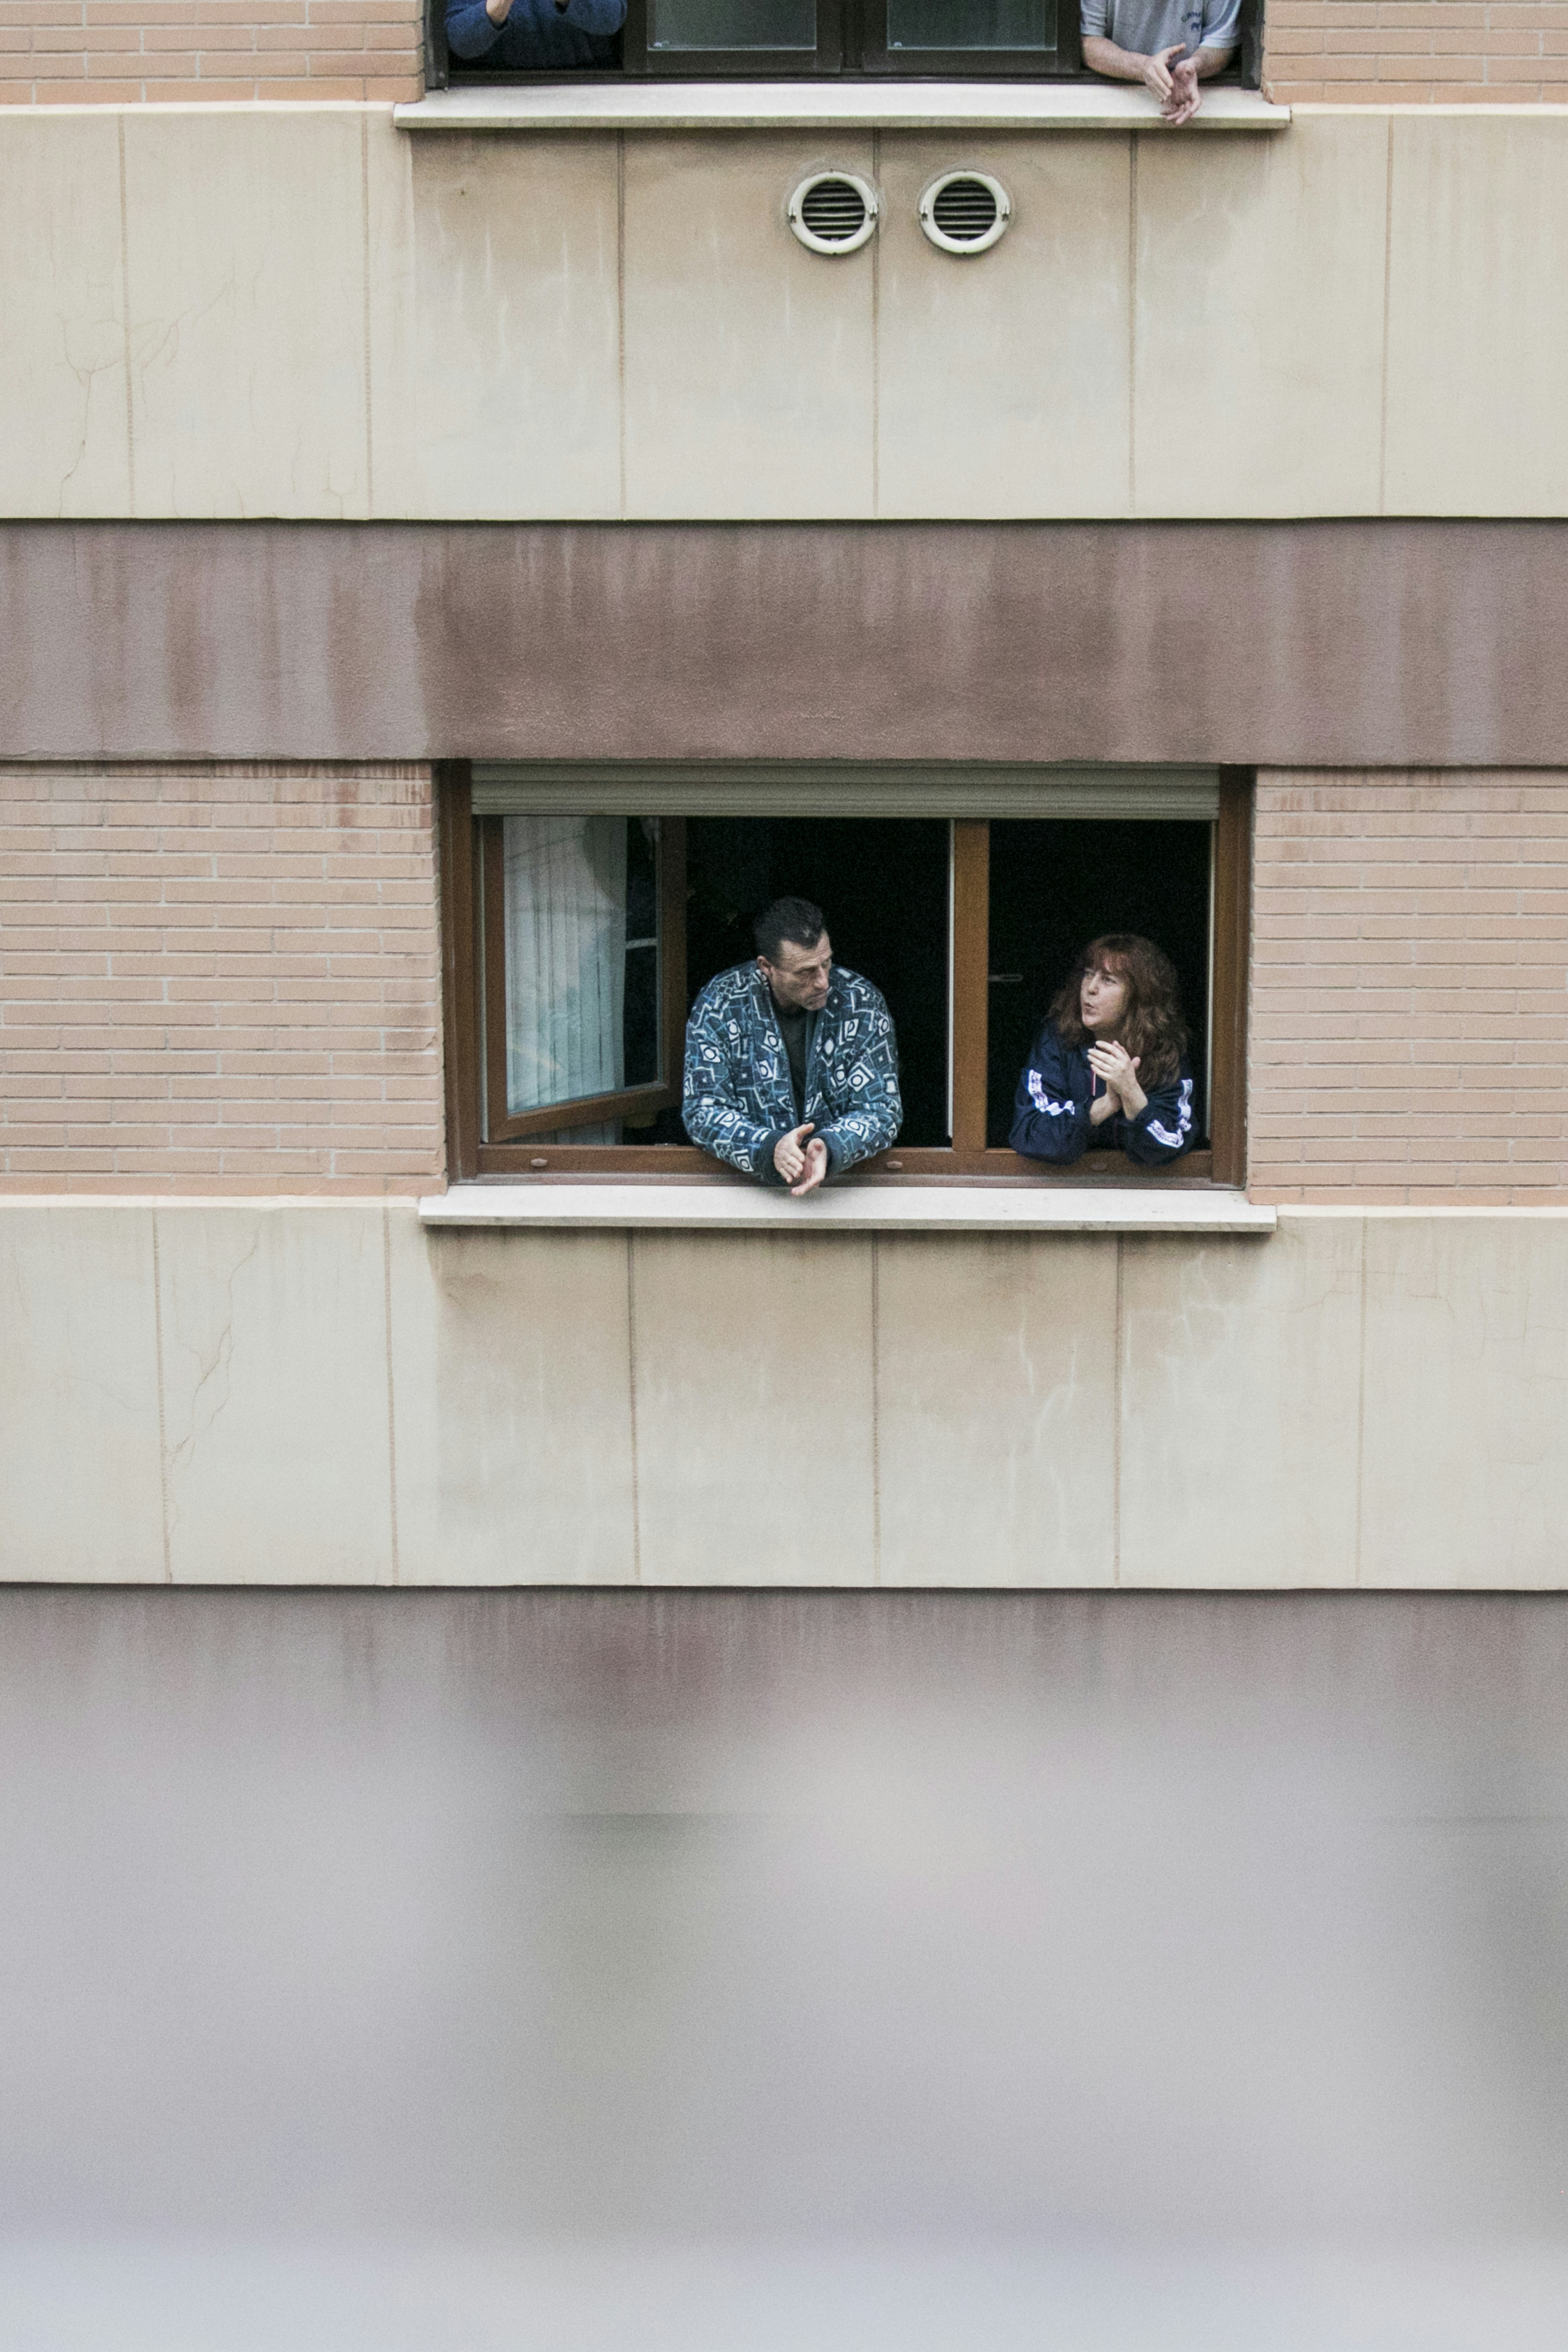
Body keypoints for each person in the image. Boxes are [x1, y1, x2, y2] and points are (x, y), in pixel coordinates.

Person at [683, 897, 902, 1196]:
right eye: (806, 972)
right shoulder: (721, 1002)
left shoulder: (860, 1001)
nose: (823, 981)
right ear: (766, 967)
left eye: (826, 963)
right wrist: (769, 1148)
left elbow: (881, 1110)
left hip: (842, 1191)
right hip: (749, 1193)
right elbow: (703, 1110)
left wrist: (831, 1147)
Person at [1010, 933, 1195, 1168]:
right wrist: (1104, 1106)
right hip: (1070, 1186)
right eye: (1088, 974)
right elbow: (1030, 1133)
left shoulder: (1164, 1047)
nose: (1091, 988)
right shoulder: (1059, 1038)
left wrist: (1132, 1095)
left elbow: (1172, 1144)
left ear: (1139, 995)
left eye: (1108, 980)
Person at [1081, 0, 1239, 125]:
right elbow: (1087, 43)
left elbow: (1221, 42)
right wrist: (1143, 66)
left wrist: (1194, 66)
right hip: (1116, 99)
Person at [445, 0, 624, 71]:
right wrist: (498, 7)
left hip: (583, 83)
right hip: (498, 87)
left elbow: (612, 17)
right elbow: (460, 41)